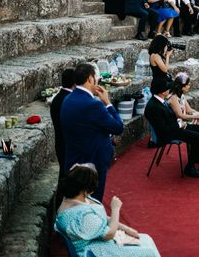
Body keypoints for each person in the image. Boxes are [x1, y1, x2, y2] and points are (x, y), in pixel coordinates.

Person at [54, 164, 160, 256]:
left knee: (146, 239)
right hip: (94, 251)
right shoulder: (82, 216)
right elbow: (109, 234)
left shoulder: (70, 197)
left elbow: (99, 219)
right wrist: (115, 209)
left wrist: (125, 228)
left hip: (95, 240)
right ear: (86, 191)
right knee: (148, 252)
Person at [61, 63, 123, 201]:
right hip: (92, 164)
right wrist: (108, 103)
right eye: (97, 78)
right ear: (90, 79)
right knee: (92, 201)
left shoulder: (68, 99)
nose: (97, 81)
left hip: (74, 160)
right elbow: (118, 127)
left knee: (76, 202)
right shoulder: (93, 105)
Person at [144, 78, 199, 177]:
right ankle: (190, 168)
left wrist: (181, 122)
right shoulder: (154, 106)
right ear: (162, 92)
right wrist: (180, 124)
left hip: (174, 127)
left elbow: (170, 116)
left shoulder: (159, 100)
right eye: (167, 89)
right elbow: (163, 129)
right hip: (168, 133)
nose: (169, 90)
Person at [50, 68, 76, 185]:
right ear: (75, 83)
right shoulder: (69, 100)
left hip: (60, 142)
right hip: (67, 144)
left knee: (64, 175)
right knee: (67, 178)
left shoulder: (57, 98)